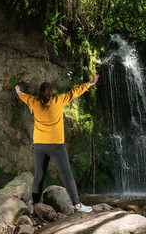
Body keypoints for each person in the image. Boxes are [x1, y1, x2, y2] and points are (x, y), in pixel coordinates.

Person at [15, 74, 99, 213]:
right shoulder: (59, 100)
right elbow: (75, 92)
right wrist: (89, 83)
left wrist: (19, 92)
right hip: (56, 145)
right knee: (66, 174)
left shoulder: (35, 102)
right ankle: (77, 205)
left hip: (40, 145)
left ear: (40, 93)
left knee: (39, 175)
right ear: (52, 92)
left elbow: (24, 96)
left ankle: (36, 205)